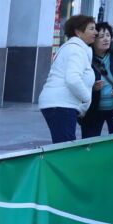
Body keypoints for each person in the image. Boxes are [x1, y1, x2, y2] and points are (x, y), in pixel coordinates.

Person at [38, 14, 98, 142]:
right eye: (91, 29)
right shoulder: (75, 50)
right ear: (78, 32)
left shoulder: (78, 49)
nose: (96, 32)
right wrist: (87, 98)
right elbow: (73, 79)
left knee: (63, 146)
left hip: (61, 105)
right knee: (65, 149)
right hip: (60, 105)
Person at [78, 23, 113, 139]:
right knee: (90, 142)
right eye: (101, 36)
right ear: (93, 40)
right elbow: (77, 81)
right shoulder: (85, 56)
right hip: (93, 109)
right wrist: (91, 88)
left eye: (108, 35)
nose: (106, 39)